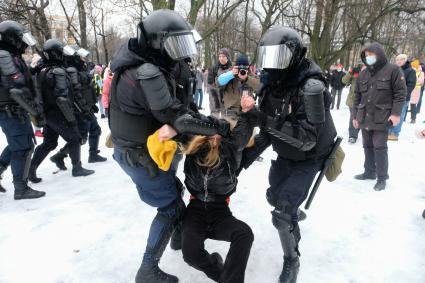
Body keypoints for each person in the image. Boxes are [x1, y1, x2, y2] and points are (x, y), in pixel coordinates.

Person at [108, 9, 231, 283]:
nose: (179, 53)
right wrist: (217, 127)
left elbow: (179, 110)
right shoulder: (147, 72)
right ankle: (147, 270)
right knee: (171, 207)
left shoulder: (147, 65)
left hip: (144, 151)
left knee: (174, 193)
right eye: (173, 44)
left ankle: (177, 238)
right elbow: (178, 116)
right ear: (156, 42)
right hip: (141, 156)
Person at [239, 26, 337, 283]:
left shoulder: (312, 87)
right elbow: (270, 132)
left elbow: (306, 139)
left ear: (295, 55)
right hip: (286, 152)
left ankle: (292, 259)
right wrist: (242, 159)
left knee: (282, 214)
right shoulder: (272, 85)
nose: (273, 65)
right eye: (268, 57)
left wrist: (263, 119)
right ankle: (292, 212)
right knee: (274, 196)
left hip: (310, 156)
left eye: (278, 57)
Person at [179, 95, 256, 283]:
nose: (214, 138)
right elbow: (181, 124)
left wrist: (247, 114)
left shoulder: (230, 153)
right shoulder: (194, 149)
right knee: (190, 254)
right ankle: (221, 274)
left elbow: (242, 136)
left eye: (219, 135)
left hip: (219, 212)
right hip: (195, 210)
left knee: (244, 234)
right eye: (210, 133)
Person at [29, 39, 94, 183]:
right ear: (57, 54)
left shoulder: (42, 70)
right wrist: (71, 118)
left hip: (47, 113)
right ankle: (77, 168)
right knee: (75, 138)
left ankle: (31, 169)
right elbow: (62, 99)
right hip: (59, 113)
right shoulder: (57, 72)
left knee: (49, 143)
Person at [0, 20, 46, 199]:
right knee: (23, 148)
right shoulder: (4, 55)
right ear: (12, 38)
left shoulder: (10, 55)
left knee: (17, 145)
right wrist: (35, 111)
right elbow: (16, 89)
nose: (24, 43)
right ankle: (21, 188)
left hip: (14, 110)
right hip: (12, 110)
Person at [352, 43, 406, 191]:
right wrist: (355, 116)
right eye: (366, 56)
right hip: (364, 116)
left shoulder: (393, 70)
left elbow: (400, 94)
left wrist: (395, 114)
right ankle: (369, 172)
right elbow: (357, 96)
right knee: (367, 146)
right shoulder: (363, 73)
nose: (368, 58)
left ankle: (382, 177)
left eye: (371, 55)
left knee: (380, 147)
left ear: (379, 55)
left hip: (383, 116)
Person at [49, 47, 107, 171]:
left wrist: (92, 103)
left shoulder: (80, 68)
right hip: (81, 109)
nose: (83, 59)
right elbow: (76, 92)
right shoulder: (72, 70)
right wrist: (85, 108)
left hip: (87, 106)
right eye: (80, 57)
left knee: (94, 130)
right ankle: (60, 155)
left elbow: (87, 88)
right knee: (81, 136)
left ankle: (92, 154)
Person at [216, 53, 260, 119]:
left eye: (244, 67)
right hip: (230, 111)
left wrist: (247, 78)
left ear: (248, 67)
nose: (242, 69)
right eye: (239, 67)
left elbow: (259, 86)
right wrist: (231, 74)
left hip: (247, 111)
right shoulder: (230, 72)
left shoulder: (250, 74)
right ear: (236, 66)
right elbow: (219, 81)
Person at [388, 54, 416, 140]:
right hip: (392, 97)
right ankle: (389, 131)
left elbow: (411, 85)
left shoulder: (410, 71)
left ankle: (395, 133)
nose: (399, 61)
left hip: (403, 98)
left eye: (401, 59)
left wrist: (403, 95)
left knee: (399, 115)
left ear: (405, 60)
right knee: (391, 114)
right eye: (397, 60)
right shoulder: (394, 70)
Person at [208, 48, 232, 115]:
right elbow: (211, 89)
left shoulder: (232, 68)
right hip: (216, 100)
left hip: (229, 102)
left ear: (227, 57)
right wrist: (215, 106)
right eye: (220, 56)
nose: (221, 58)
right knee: (215, 120)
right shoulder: (213, 69)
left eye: (223, 56)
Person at [342, 64, 362, 143]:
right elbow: (344, 80)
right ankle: (353, 135)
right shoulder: (355, 72)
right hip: (353, 100)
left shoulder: (371, 71)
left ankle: (357, 130)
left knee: (360, 118)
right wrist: (350, 73)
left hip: (365, 100)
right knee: (354, 117)